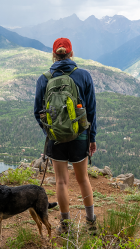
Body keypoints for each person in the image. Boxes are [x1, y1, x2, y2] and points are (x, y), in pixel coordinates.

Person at [34, 37, 97, 234]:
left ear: (54, 55)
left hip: (56, 139)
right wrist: (92, 137)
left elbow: (38, 112)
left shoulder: (44, 78)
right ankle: (91, 223)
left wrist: (50, 131)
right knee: (83, 179)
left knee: (61, 181)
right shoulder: (84, 76)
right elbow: (92, 111)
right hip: (79, 136)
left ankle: (66, 225)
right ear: (71, 54)